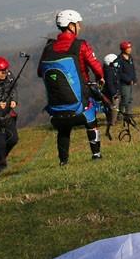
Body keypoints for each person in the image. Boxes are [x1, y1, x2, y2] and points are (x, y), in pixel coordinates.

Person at [39, 9, 105, 164]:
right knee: (91, 121)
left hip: (57, 104)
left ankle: (63, 161)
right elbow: (96, 67)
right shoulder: (80, 45)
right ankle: (96, 155)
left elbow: (39, 72)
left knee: (63, 129)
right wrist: (100, 78)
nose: (80, 27)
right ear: (70, 26)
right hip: (80, 99)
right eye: (77, 24)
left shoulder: (48, 48)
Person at [116, 40, 137, 120]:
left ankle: (129, 114)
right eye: (128, 48)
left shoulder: (130, 58)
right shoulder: (120, 60)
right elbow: (119, 73)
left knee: (130, 99)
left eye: (130, 47)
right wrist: (128, 80)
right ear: (124, 49)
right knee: (125, 99)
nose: (130, 49)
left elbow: (133, 69)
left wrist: (134, 79)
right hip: (124, 83)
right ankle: (120, 115)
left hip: (131, 82)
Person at [102, 53, 121, 133]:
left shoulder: (111, 69)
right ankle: (113, 122)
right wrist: (114, 93)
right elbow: (109, 83)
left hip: (113, 91)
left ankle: (113, 121)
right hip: (111, 93)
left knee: (113, 108)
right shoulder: (108, 71)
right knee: (114, 108)